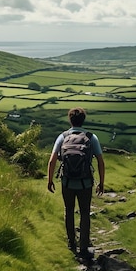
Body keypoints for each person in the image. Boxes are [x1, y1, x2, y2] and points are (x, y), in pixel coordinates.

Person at [47, 107, 105, 261]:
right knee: (85, 212)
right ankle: (84, 247)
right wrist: (102, 182)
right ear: (83, 120)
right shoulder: (91, 137)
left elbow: (52, 160)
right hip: (85, 182)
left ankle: (71, 243)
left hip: (66, 182)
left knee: (69, 210)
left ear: (70, 120)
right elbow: (100, 161)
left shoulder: (62, 137)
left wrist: (50, 180)